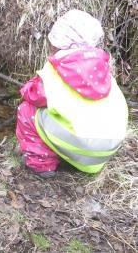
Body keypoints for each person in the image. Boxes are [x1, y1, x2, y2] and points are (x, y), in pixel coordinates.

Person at [16, 9, 128, 176]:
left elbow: (33, 95)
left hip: (82, 146)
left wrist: (27, 86)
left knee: (27, 111)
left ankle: (41, 164)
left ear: (58, 44)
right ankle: (75, 159)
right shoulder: (103, 70)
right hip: (106, 149)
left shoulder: (58, 69)